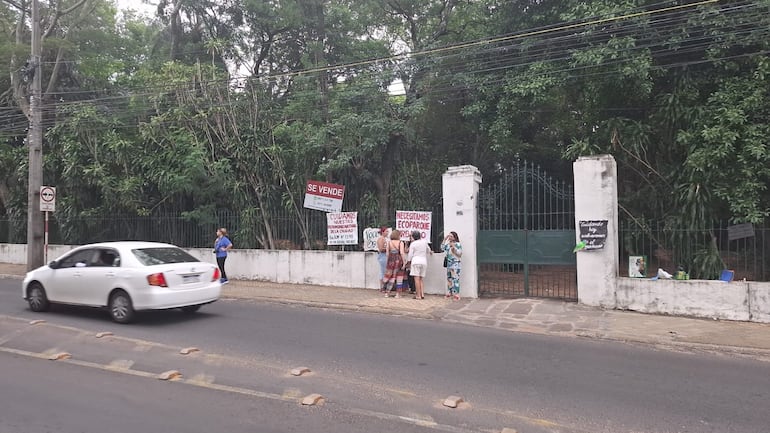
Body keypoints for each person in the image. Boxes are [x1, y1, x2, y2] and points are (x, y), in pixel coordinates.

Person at [407, 230, 431, 300]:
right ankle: (422, 293)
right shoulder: (424, 242)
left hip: (416, 261)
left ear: (413, 237)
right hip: (424, 261)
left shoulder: (413, 244)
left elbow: (410, 255)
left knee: (416, 279)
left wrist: (408, 262)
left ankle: (418, 295)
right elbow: (429, 250)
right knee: (421, 279)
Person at [382, 229, 406, 298]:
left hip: (391, 260)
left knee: (390, 276)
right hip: (398, 260)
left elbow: (387, 253)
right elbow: (401, 252)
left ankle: (387, 293)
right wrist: (404, 262)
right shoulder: (401, 242)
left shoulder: (389, 242)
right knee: (399, 277)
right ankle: (398, 294)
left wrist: (390, 259)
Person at [441, 231, 462, 300]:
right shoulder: (448, 244)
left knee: (455, 279)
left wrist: (454, 249)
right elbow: (442, 248)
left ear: (454, 237)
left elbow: (460, 254)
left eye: (451, 236)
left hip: (455, 264)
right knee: (449, 279)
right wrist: (444, 240)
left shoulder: (457, 244)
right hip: (449, 264)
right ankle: (449, 292)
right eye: (449, 236)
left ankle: (456, 294)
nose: (450, 237)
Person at [376, 226, 389, 291]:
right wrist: (388, 249)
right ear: (383, 232)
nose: (387, 232)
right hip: (383, 256)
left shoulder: (385, 239)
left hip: (385, 256)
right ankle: (383, 286)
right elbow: (381, 249)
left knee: (383, 271)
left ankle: (383, 286)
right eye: (386, 231)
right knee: (383, 271)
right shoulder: (381, 239)